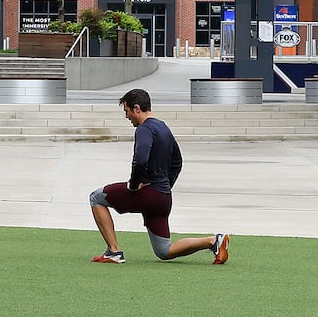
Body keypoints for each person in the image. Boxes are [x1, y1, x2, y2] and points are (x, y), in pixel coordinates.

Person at [88, 88, 230, 265]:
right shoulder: (163, 127)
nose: (126, 116)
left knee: (96, 197)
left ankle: (113, 252)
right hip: (162, 198)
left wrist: (133, 185)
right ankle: (214, 241)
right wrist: (165, 187)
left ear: (137, 108)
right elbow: (177, 161)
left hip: (147, 193)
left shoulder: (144, 129)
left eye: (127, 111)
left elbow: (140, 160)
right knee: (164, 251)